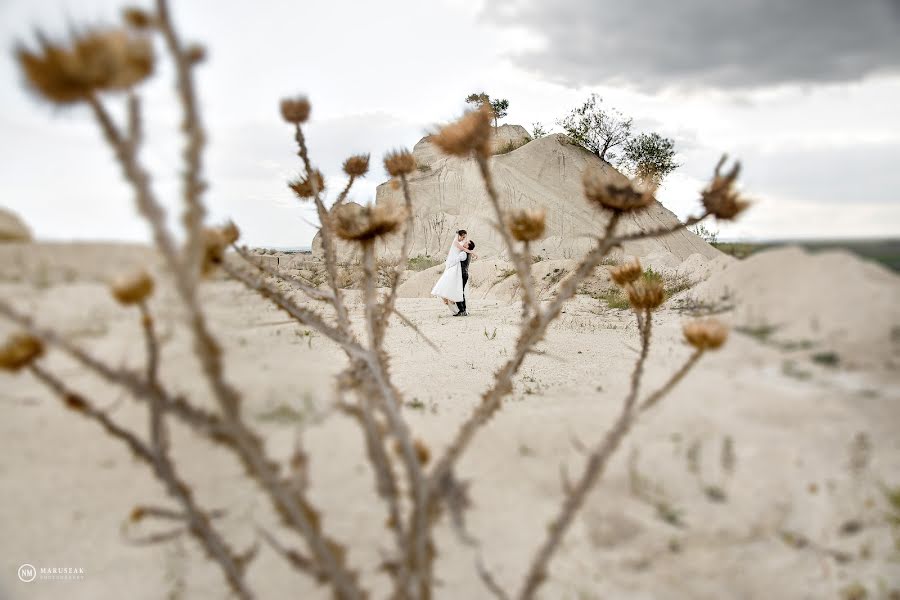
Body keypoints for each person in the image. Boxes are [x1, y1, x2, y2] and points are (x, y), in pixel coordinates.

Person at [430, 230, 476, 312]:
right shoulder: (457, 244)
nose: (464, 240)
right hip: (459, 270)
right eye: (463, 237)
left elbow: (458, 257)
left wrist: (449, 265)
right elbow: (463, 250)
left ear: (468, 246)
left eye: (466, 240)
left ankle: (460, 308)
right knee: (457, 289)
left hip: (459, 271)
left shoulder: (463, 253)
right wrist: (473, 253)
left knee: (457, 290)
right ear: (459, 235)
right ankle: (453, 302)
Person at [454, 239, 475, 316]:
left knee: (458, 292)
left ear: (468, 246)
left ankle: (462, 310)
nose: (465, 243)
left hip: (462, 274)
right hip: (464, 274)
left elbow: (455, 261)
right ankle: (463, 310)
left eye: (466, 243)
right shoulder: (467, 253)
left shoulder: (463, 254)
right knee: (460, 291)